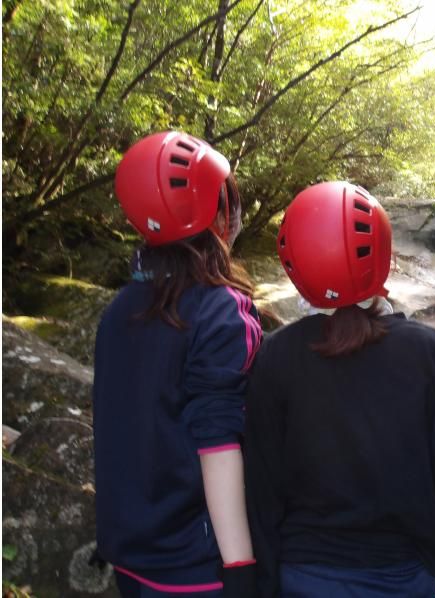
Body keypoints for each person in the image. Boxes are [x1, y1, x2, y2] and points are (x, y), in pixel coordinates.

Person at [243, 181, 435, 597]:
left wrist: (263, 583)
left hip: (301, 575)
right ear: (382, 253)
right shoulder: (429, 352)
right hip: (404, 576)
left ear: (293, 262)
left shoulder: (274, 356)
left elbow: (262, 487)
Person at [93, 131, 263, 597]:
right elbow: (219, 444)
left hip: (129, 549)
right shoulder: (222, 309)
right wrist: (240, 564)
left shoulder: (121, 307)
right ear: (217, 213)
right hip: (194, 562)